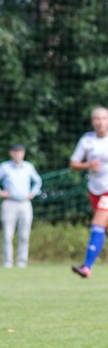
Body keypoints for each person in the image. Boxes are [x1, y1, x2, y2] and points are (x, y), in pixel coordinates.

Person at [0, 144, 42, 269]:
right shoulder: (5, 167)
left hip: (25, 203)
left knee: (24, 235)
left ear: (23, 153)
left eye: (20, 152)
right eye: (15, 152)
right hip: (9, 203)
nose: (18, 154)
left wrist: (33, 193)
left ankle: (22, 261)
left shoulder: (28, 167)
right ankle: (7, 262)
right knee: (7, 234)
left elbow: (38, 181)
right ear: (11, 153)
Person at [70, 106, 108, 278]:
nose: (101, 122)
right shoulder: (87, 140)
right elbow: (73, 164)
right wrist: (88, 165)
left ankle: (86, 267)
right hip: (95, 190)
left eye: (104, 118)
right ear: (93, 122)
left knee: (97, 224)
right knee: (102, 229)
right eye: (97, 119)